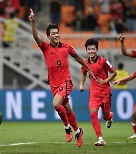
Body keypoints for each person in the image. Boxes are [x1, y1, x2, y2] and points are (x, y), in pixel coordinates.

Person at [28, 9, 95, 147]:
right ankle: (78, 131)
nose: (56, 35)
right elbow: (35, 36)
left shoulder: (67, 47)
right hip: (53, 83)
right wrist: (33, 22)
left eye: (57, 33)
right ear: (48, 36)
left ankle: (66, 128)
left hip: (66, 82)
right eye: (53, 34)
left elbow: (78, 58)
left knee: (55, 104)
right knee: (68, 110)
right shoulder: (45, 47)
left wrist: (88, 68)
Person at [79, 38, 116, 146]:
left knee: (105, 116)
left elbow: (114, 73)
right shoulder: (85, 63)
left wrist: (106, 80)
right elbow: (84, 74)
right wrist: (81, 85)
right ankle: (100, 138)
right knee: (93, 113)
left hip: (105, 92)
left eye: (93, 49)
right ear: (86, 50)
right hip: (94, 93)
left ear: (97, 50)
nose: (91, 51)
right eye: (89, 49)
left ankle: (110, 117)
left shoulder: (103, 61)